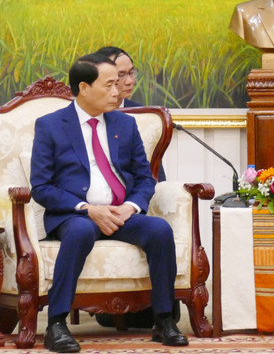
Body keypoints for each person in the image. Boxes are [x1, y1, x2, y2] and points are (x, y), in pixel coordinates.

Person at [30, 54, 188, 352]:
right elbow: (42, 187)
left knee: (159, 230)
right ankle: (57, 324)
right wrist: (88, 209)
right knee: (79, 232)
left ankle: (164, 320)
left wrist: (130, 207)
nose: (118, 91)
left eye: (118, 83)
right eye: (110, 85)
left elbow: (144, 179)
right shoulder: (51, 126)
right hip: (75, 215)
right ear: (84, 88)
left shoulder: (124, 125)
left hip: (121, 212)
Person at [95, 46, 167, 182]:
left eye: (131, 73)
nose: (130, 81)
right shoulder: (86, 113)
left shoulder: (144, 116)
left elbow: (156, 176)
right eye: (121, 75)